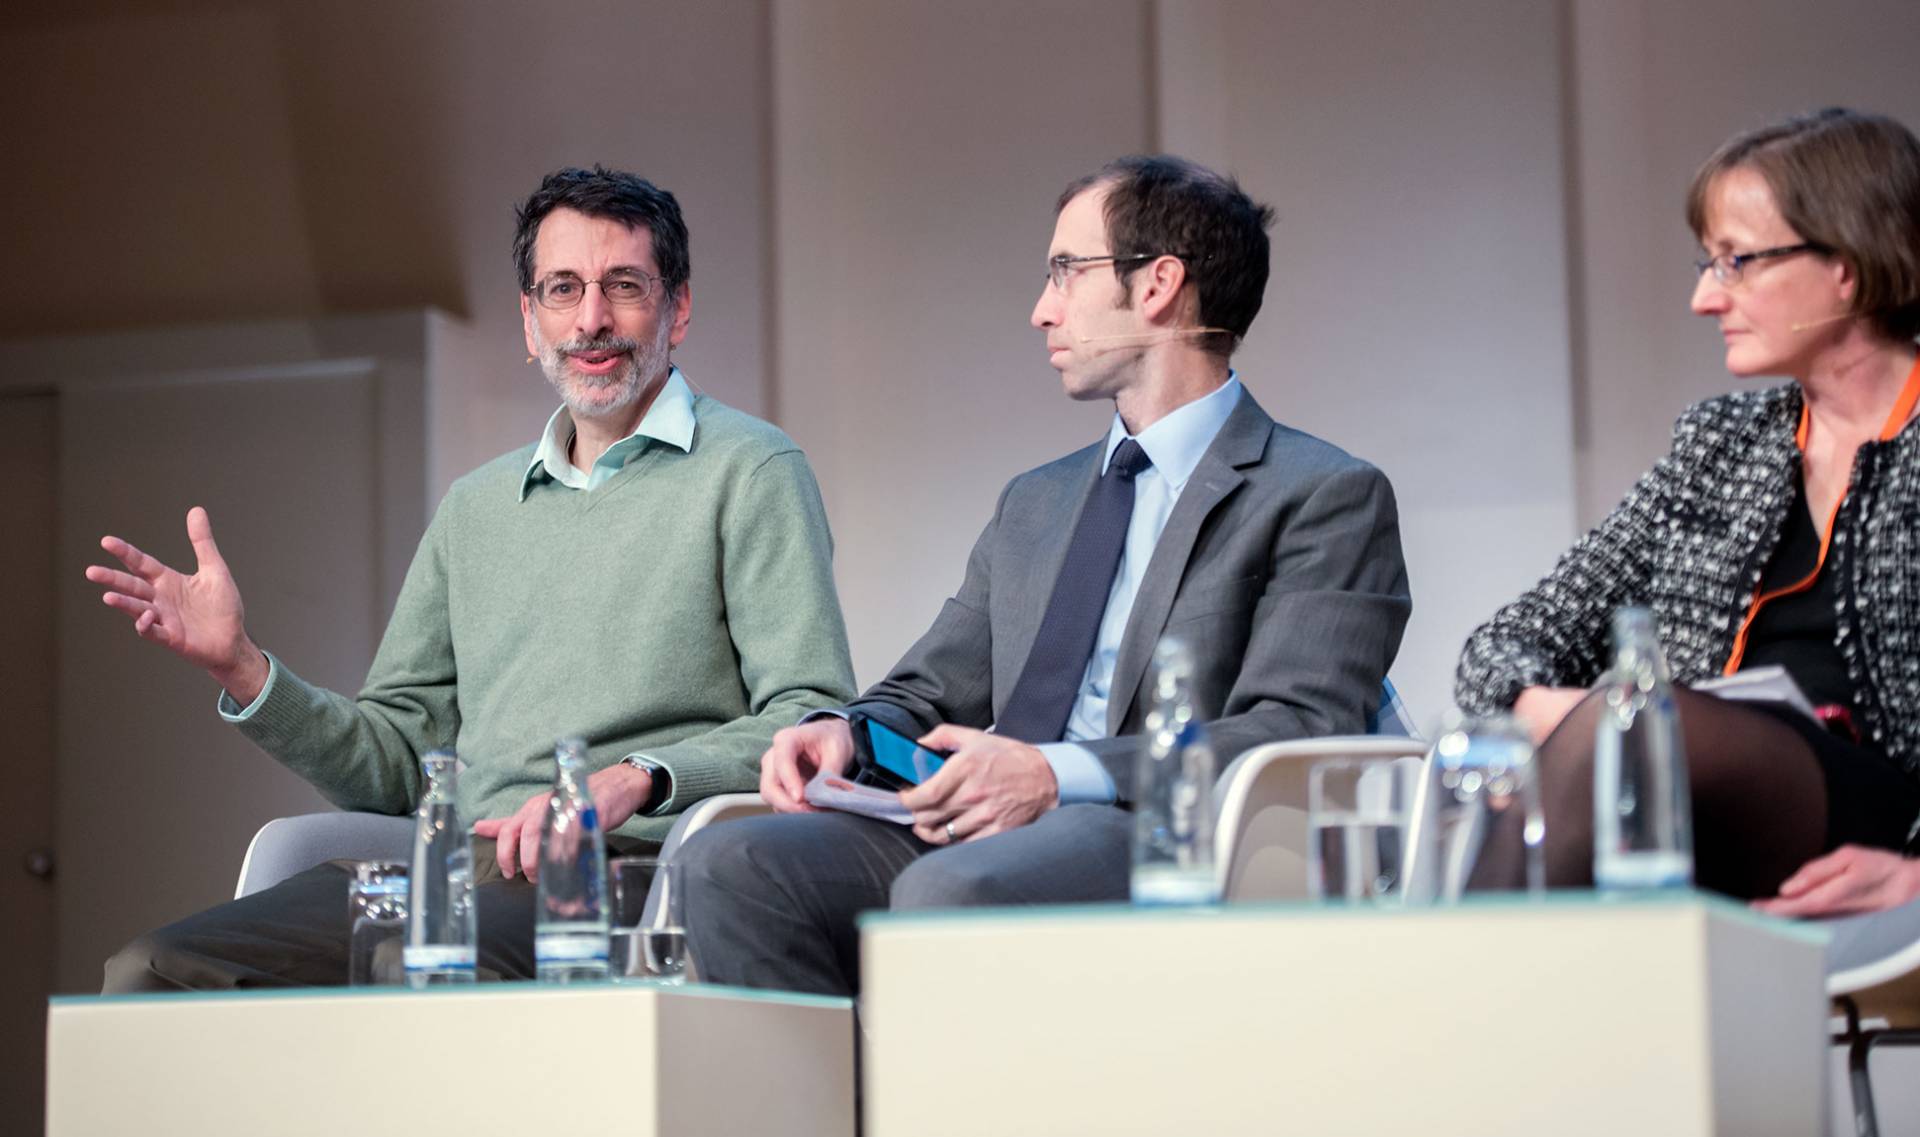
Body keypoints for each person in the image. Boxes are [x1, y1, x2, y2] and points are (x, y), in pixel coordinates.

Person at [88, 166, 856, 989]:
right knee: (152, 970)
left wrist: (638, 778)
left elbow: (810, 717)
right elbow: (394, 764)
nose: (591, 319)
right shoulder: (475, 507)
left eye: (623, 286)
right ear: (530, 322)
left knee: (416, 962)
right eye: (562, 289)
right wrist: (240, 666)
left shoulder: (751, 470)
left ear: (680, 308)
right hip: (452, 871)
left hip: (634, 873)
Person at [679, 154, 1411, 997]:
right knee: (727, 861)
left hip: (1162, 834)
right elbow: (924, 690)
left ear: (1158, 285)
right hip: (984, 825)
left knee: (950, 889)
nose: (1040, 310)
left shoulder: (1324, 494)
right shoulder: (1037, 500)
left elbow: (1291, 728)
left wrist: (1053, 773)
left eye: (1066, 272)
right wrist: (844, 730)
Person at [1456, 108, 1920, 907]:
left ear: (1846, 263)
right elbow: (1501, 648)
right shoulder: (1719, 448)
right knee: (1608, 739)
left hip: (1885, 819)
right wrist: (1599, 719)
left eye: (1736, 262)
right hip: (1701, 808)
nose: (1707, 298)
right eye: (1710, 264)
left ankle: (1438, 1002)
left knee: (1629, 733)